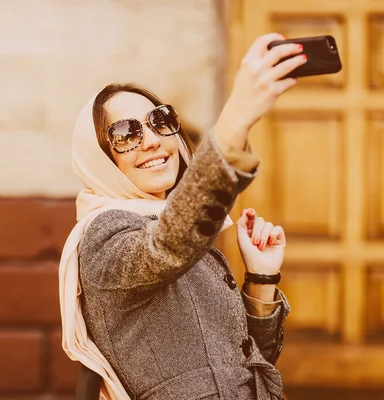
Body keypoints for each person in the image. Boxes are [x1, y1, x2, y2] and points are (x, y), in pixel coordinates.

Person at [59, 33, 307, 400]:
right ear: (99, 159)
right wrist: (235, 118)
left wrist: (260, 277)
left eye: (159, 120)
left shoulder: (178, 234)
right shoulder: (105, 236)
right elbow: (167, 245)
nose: (152, 140)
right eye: (126, 133)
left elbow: (247, 367)